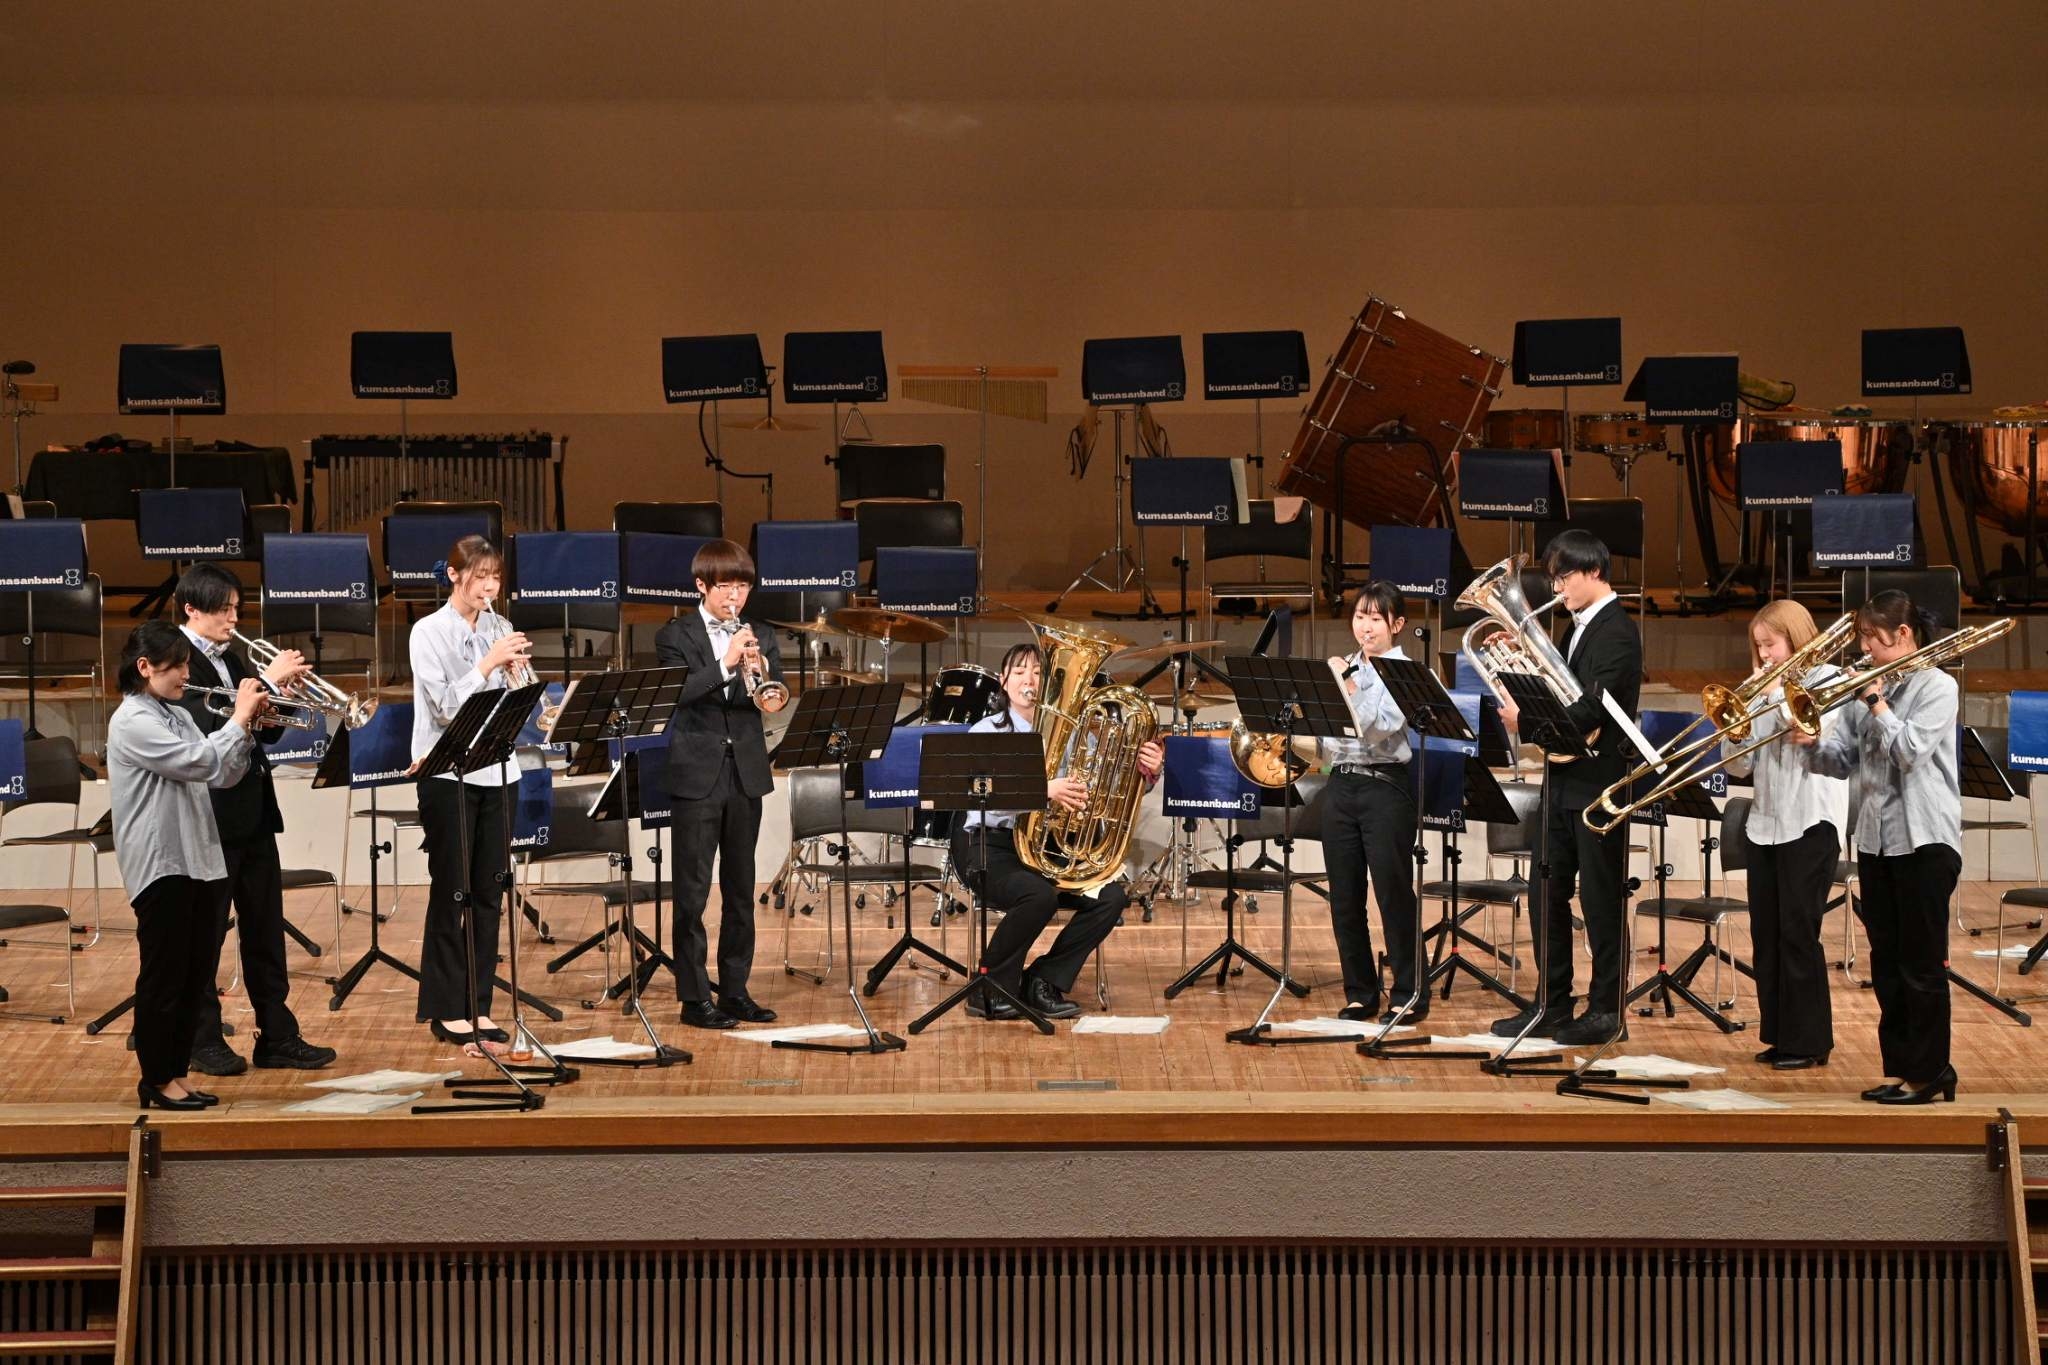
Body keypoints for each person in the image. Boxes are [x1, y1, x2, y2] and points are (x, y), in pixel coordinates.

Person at [1790, 589, 1960, 1105]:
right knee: (1886, 963)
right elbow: (1842, 761)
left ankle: (1931, 1072)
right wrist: (1809, 744)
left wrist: (1876, 703)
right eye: (1862, 636)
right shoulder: (1868, 690)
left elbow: (1909, 752)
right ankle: (1904, 1069)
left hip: (1924, 841)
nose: (1863, 648)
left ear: (1902, 634)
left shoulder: (1938, 686)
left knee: (1921, 964)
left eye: (1871, 637)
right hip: (1876, 841)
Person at [172, 563, 337, 1075]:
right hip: (210, 815)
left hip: (252, 809)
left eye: (236, 609)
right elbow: (203, 726)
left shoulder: (232, 656)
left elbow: (262, 731)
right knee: (206, 935)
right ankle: (200, 1038)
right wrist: (266, 682)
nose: (233, 619)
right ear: (191, 609)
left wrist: (282, 696)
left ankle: (277, 1035)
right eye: (224, 610)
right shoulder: (177, 660)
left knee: (264, 931)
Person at [950, 642, 1165, 1021]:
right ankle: (990, 988)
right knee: (1038, 896)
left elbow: (1103, 792)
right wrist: (1043, 790)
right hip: (991, 848)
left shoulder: (1075, 733)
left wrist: (1144, 774)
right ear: (1003, 681)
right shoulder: (986, 730)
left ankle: (1042, 981)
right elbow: (983, 797)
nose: (1029, 680)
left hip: (1050, 848)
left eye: (1038, 673)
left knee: (1111, 898)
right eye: (1019, 672)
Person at [1489, 530, 1643, 1046]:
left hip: (1599, 784)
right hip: (1562, 781)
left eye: (1564, 577)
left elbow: (1589, 711)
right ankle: (1552, 1003)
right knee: (1546, 893)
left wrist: (1527, 724)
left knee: (1600, 901)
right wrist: (1517, 657)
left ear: (1594, 571)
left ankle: (1606, 1011)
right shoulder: (1576, 628)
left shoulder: (1616, 632)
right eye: (1554, 578)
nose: (1557, 588)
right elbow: (1554, 690)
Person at [106, 620, 264, 1111]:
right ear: (144, 667)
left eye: (185, 664)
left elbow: (222, 773)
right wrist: (237, 720)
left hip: (198, 858)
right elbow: (196, 761)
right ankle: (156, 1079)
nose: (185, 674)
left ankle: (177, 1072)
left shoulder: (174, 714)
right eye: (175, 666)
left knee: (196, 976)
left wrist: (246, 729)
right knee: (165, 977)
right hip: (162, 864)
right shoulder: (132, 720)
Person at [409, 534, 532, 1056]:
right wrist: (486, 666)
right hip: (448, 775)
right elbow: (442, 707)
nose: (489, 587)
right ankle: (446, 1009)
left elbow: (517, 697)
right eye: (479, 576)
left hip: (500, 771)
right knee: (452, 892)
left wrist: (519, 676)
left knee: (489, 894)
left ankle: (479, 1005)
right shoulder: (427, 632)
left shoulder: (499, 626)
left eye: (495, 577)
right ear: (454, 575)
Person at [655, 539, 785, 1030]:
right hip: (697, 773)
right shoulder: (674, 635)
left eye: (743, 586)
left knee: (740, 890)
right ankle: (694, 999)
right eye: (726, 585)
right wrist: (726, 664)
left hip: (745, 772)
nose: (735, 595)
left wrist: (760, 673)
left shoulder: (761, 634)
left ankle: (734, 991)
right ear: (701, 586)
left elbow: (773, 696)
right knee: (691, 894)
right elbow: (675, 693)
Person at [1726, 600, 1849, 1071]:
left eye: (1770, 644)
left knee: (1799, 934)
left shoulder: (1828, 680)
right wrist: (1735, 733)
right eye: (1758, 646)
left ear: (1795, 638)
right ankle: (1779, 1034)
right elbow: (1740, 767)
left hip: (1810, 822)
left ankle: (1811, 1041)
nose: (1763, 655)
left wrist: (1775, 693)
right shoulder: (1761, 688)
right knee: (1767, 935)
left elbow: (1810, 733)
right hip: (1765, 825)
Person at [1320, 582, 1422, 1024]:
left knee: (1392, 894)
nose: (1365, 627)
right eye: (1360, 617)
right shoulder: (1345, 667)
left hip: (1386, 787)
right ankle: (1360, 991)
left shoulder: (1405, 673)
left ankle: (1409, 992)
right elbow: (1329, 737)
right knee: (1344, 897)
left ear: (1396, 625)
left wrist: (1346, 685)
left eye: (1376, 619)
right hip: (1341, 785)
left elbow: (1374, 728)